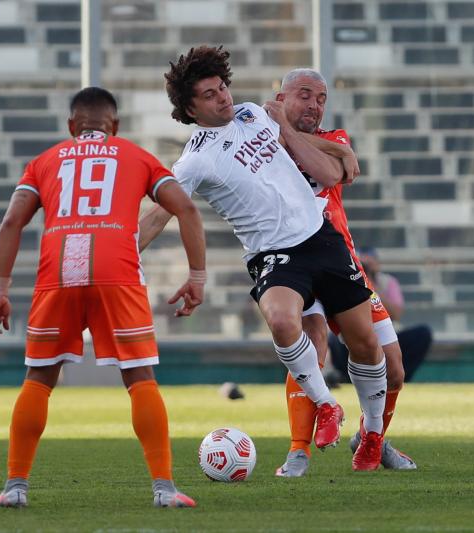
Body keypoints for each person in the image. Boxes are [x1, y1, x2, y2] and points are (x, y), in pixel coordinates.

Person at [138, 45, 387, 471]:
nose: (223, 97)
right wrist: (123, 252)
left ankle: (374, 433)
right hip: (273, 253)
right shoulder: (196, 160)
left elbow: (295, 141)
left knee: (364, 343)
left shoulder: (253, 113)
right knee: (282, 320)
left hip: (321, 237)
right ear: (191, 108)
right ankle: (326, 404)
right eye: (210, 95)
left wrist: (340, 151)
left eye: (222, 87)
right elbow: (162, 212)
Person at [0, 87, 207, 509]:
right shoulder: (136, 156)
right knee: (140, 378)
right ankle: (164, 490)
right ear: (114, 126)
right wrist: (196, 276)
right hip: (116, 271)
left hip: (59, 271)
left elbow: (11, 221)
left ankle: (14, 488)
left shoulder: (44, 162)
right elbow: (187, 209)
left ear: (72, 125)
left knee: (39, 378)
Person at [270, 68, 417, 477]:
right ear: (281, 98)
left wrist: (287, 130)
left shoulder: (335, 139)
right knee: (312, 343)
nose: (314, 105)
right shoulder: (261, 143)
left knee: (393, 368)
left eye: (321, 99)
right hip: (295, 264)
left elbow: (337, 167)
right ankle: (298, 451)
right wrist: (276, 128)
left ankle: (372, 437)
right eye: (304, 95)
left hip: (343, 265)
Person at [330, 247, 433, 384]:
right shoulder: (344, 280)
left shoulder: (388, 282)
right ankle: (346, 377)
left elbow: (396, 314)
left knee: (422, 334)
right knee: (334, 338)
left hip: (385, 335)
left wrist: (370, 284)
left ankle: (397, 377)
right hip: (355, 336)